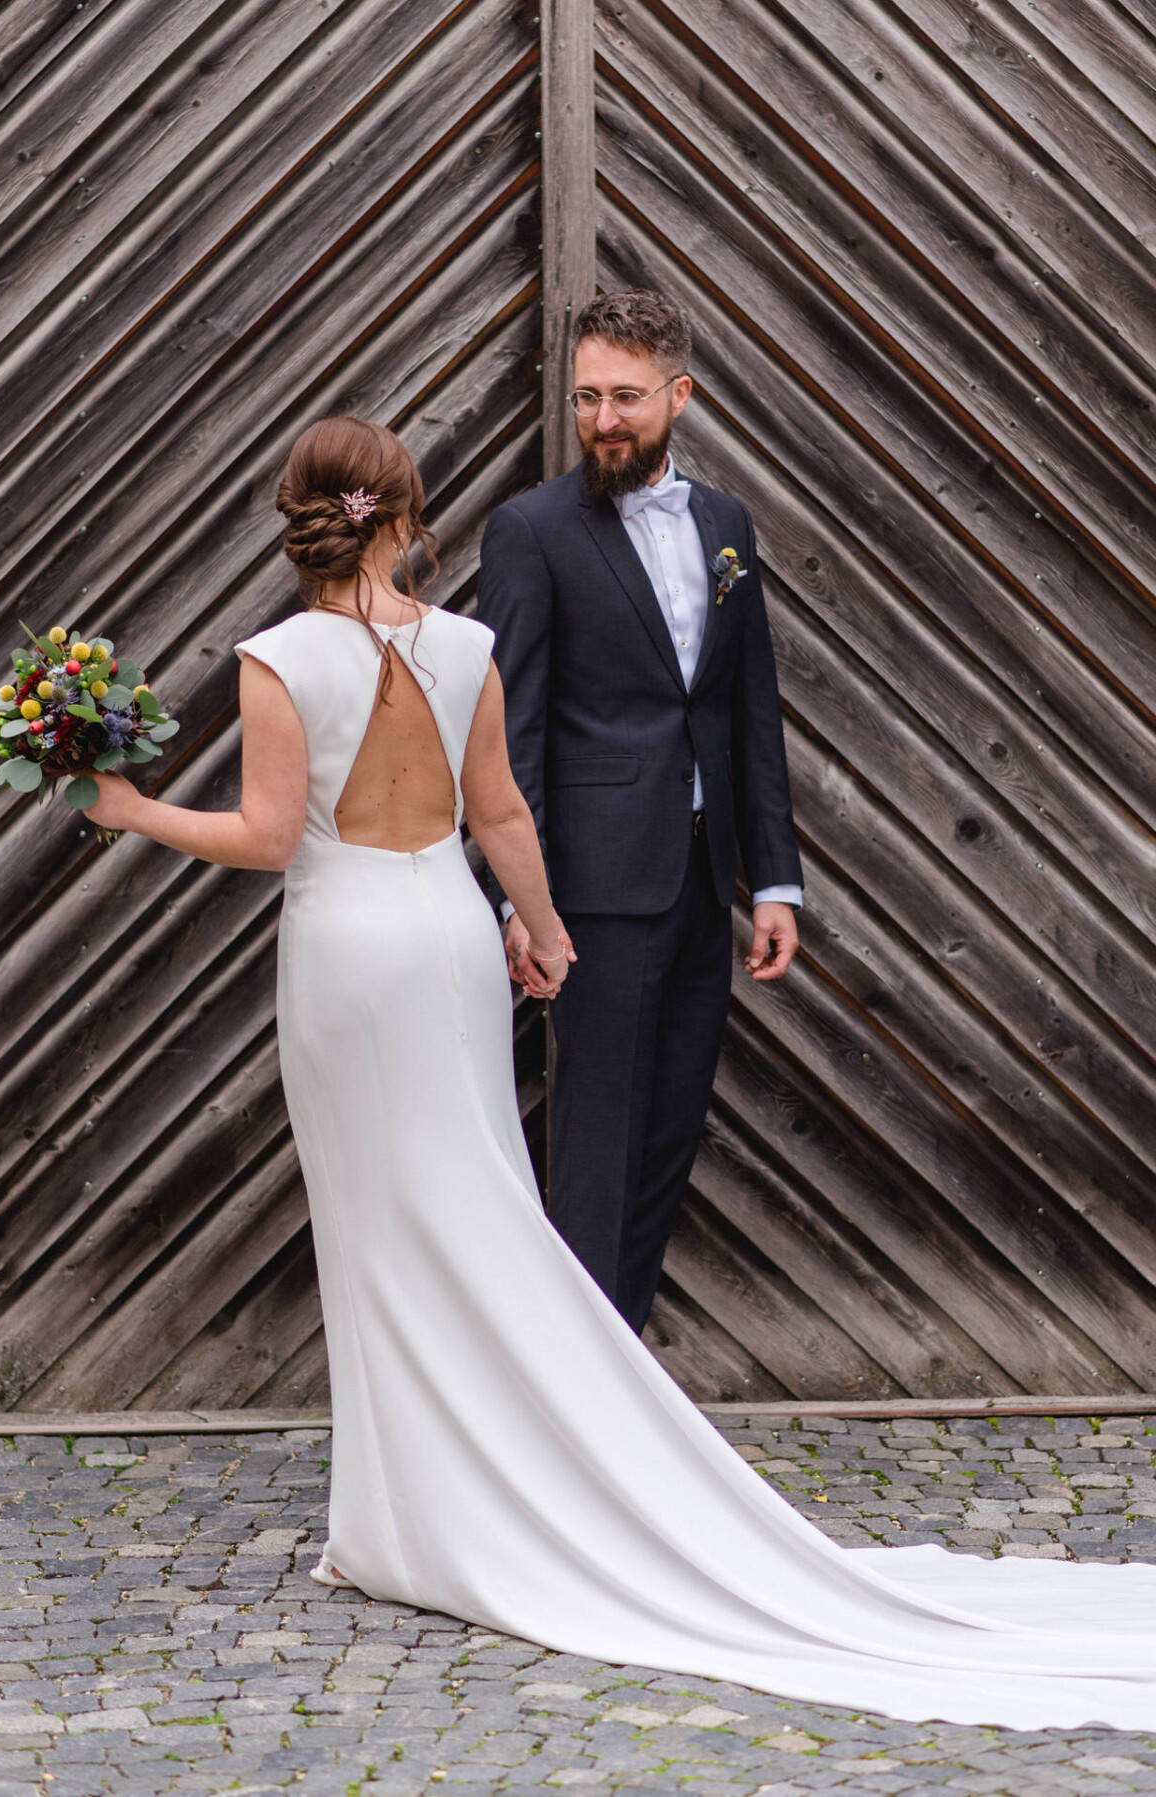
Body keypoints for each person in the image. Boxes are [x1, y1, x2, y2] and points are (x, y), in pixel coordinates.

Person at [85, 416, 1156, 1731]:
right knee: (474, 1205)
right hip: (453, 943)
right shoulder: (465, 644)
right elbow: (502, 815)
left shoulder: (278, 658)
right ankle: (435, 1494)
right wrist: (538, 928)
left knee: (378, 1231)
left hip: (347, 951)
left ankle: (407, 1516)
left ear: (296, 513)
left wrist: (132, 810)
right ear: (406, 509)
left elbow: (263, 836)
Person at [477, 289, 802, 1336]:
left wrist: (776, 880)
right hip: (593, 890)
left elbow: (749, 710)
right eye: (586, 399)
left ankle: (624, 1385)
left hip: (706, 885)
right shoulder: (531, 532)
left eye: (625, 398)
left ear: (680, 394)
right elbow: (509, 731)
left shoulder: (725, 526)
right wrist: (521, 904)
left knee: (668, 1134)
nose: (603, 421)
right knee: (597, 1138)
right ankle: (574, 1392)